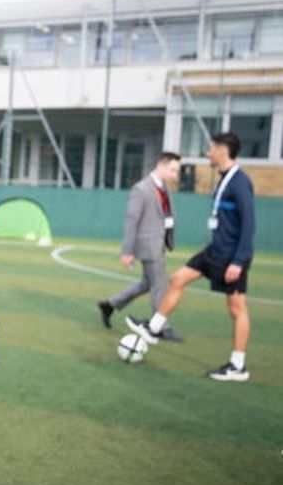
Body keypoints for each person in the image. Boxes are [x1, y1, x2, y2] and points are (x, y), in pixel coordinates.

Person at [126, 133, 256, 382]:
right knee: (178, 278)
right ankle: (153, 329)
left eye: (211, 149)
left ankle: (237, 366)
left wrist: (239, 261)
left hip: (231, 255)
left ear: (222, 150)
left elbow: (249, 224)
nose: (208, 153)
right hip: (214, 250)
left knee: (237, 308)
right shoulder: (224, 180)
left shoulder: (240, 182)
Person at [98, 152, 184, 341]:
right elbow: (131, 221)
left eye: (177, 172)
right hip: (148, 246)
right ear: (160, 166)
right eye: (173, 171)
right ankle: (160, 327)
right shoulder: (141, 189)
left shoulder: (164, 187)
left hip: (160, 243)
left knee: (148, 283)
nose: (175, 176)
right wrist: (127, 251)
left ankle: (110, 304)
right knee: (159, 285)